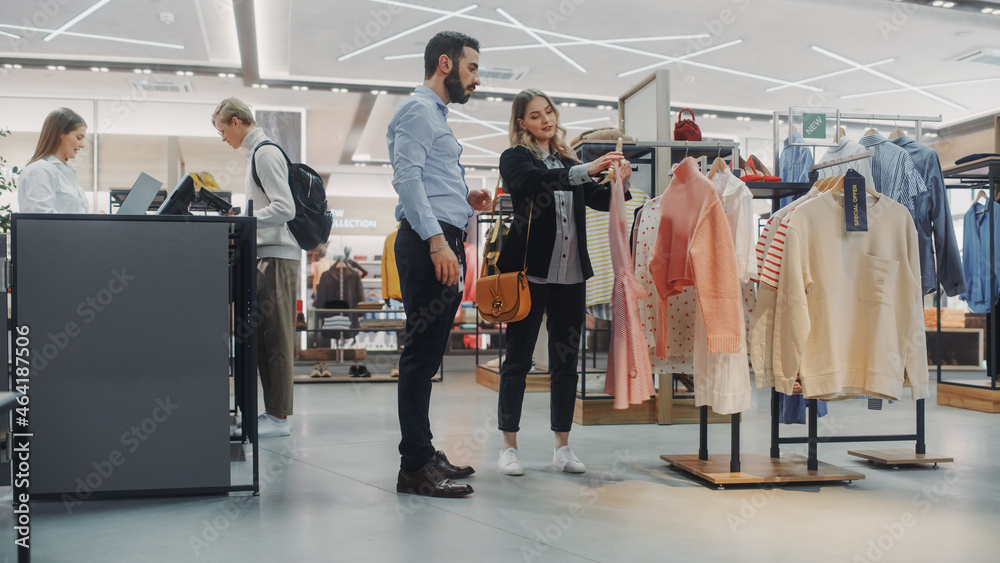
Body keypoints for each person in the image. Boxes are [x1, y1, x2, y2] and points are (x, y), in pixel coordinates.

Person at [494, 88, 630, 476]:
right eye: (535, 116)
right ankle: (508, 445)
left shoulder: (569, 160)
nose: (545, 120)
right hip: (528, 274)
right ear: (521, 123)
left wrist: (619, 181)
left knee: (566, 361)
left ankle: (562, 446)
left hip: (571, 276)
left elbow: (600, 200)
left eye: (548, 112)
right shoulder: (515, 158)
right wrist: (585, 170)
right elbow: (535, 182)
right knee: (517, 360)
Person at [387, 31, 492, 498]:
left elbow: (426, 179)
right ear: (446, 64)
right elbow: (406, 178)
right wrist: (436, 240)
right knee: (420, 356)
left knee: (428, 355)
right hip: (430, 244)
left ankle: (424, 452)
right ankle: (413, 467)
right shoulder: (417, 110)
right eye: (472, 69)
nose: (476, 79)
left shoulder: (434, 116)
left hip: (444, 240)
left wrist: (464, 200)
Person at [212, 97, 298, 438]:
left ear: (235, 121)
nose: (223, 138)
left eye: (222, 130)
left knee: (277, 338)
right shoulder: (258, 154)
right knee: (265, 338)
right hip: (268, 255)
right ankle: (274, 413)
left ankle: (280, 418)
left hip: (277, 256)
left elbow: (285, 207)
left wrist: (247, 219)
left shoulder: (264, 152)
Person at [18, 107, 90, 213]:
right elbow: (45, 221)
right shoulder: (39, 170)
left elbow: (74, 216)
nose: (82, 145)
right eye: (79, 138)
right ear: (60, 134)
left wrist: (93, 217)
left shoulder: (66, 171)